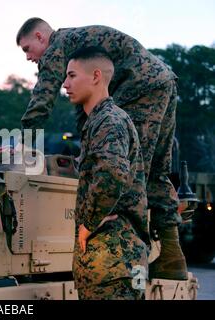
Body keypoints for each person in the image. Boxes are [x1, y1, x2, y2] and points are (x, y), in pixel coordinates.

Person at [16, 17, 187, 280]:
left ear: (40, 37)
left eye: (27, 49)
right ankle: (172, 258)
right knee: (155, 171)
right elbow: (86, 113)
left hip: (138, 87)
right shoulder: (78, 43)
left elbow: (42, 99)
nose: (28, 57)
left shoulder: (57, 46)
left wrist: (22, 143)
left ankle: (129, 256)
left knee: (130, 170)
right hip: (163, 81)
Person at [64, 46, 148, 299]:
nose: (65, 83)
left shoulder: (108, 121)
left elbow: (112, 173)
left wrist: (88, 224)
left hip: (112, 264)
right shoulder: (103, 121)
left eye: (72, 75)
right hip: (124, 262)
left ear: (96, 76)